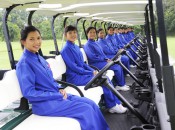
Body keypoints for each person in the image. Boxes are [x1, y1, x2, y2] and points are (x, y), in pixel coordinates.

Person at [16, 25, 109, 130]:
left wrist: (59, 88)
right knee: (86, 109)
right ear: (23, 42)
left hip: (56, 95)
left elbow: (50, 80)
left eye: (38, 38)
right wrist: (55, 95)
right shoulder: (24, 63)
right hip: (45, 104)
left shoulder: (39, 58)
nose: (37, 42)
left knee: (91, 103)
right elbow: (29, 93)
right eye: (31, 39)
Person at [61, 25, 127, 114]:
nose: (73, 35)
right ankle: (112, 106)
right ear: (65, 35)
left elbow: (82, 64)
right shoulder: (66, 49)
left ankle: (116, 103)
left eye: (74, 32)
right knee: (103, 79)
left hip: (82, 74)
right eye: (70, 33)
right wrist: (90, 72)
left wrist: (93, 71)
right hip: (75, 77)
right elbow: (74, 67)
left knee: (103, 76)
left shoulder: (75, 47)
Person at [83, 26, 129, 91]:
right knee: (116, 66)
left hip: (101, 61)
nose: (92, 34)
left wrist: (106, 59)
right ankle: (120, 85)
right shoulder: (87, 45)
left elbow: (102, 53)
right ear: (87, 34)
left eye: (94, 32)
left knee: (117, 65)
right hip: (95, 64)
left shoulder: (95, 42)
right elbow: (93, 57)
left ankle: (120, 84)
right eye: (90, 32)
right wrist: (104, 59)